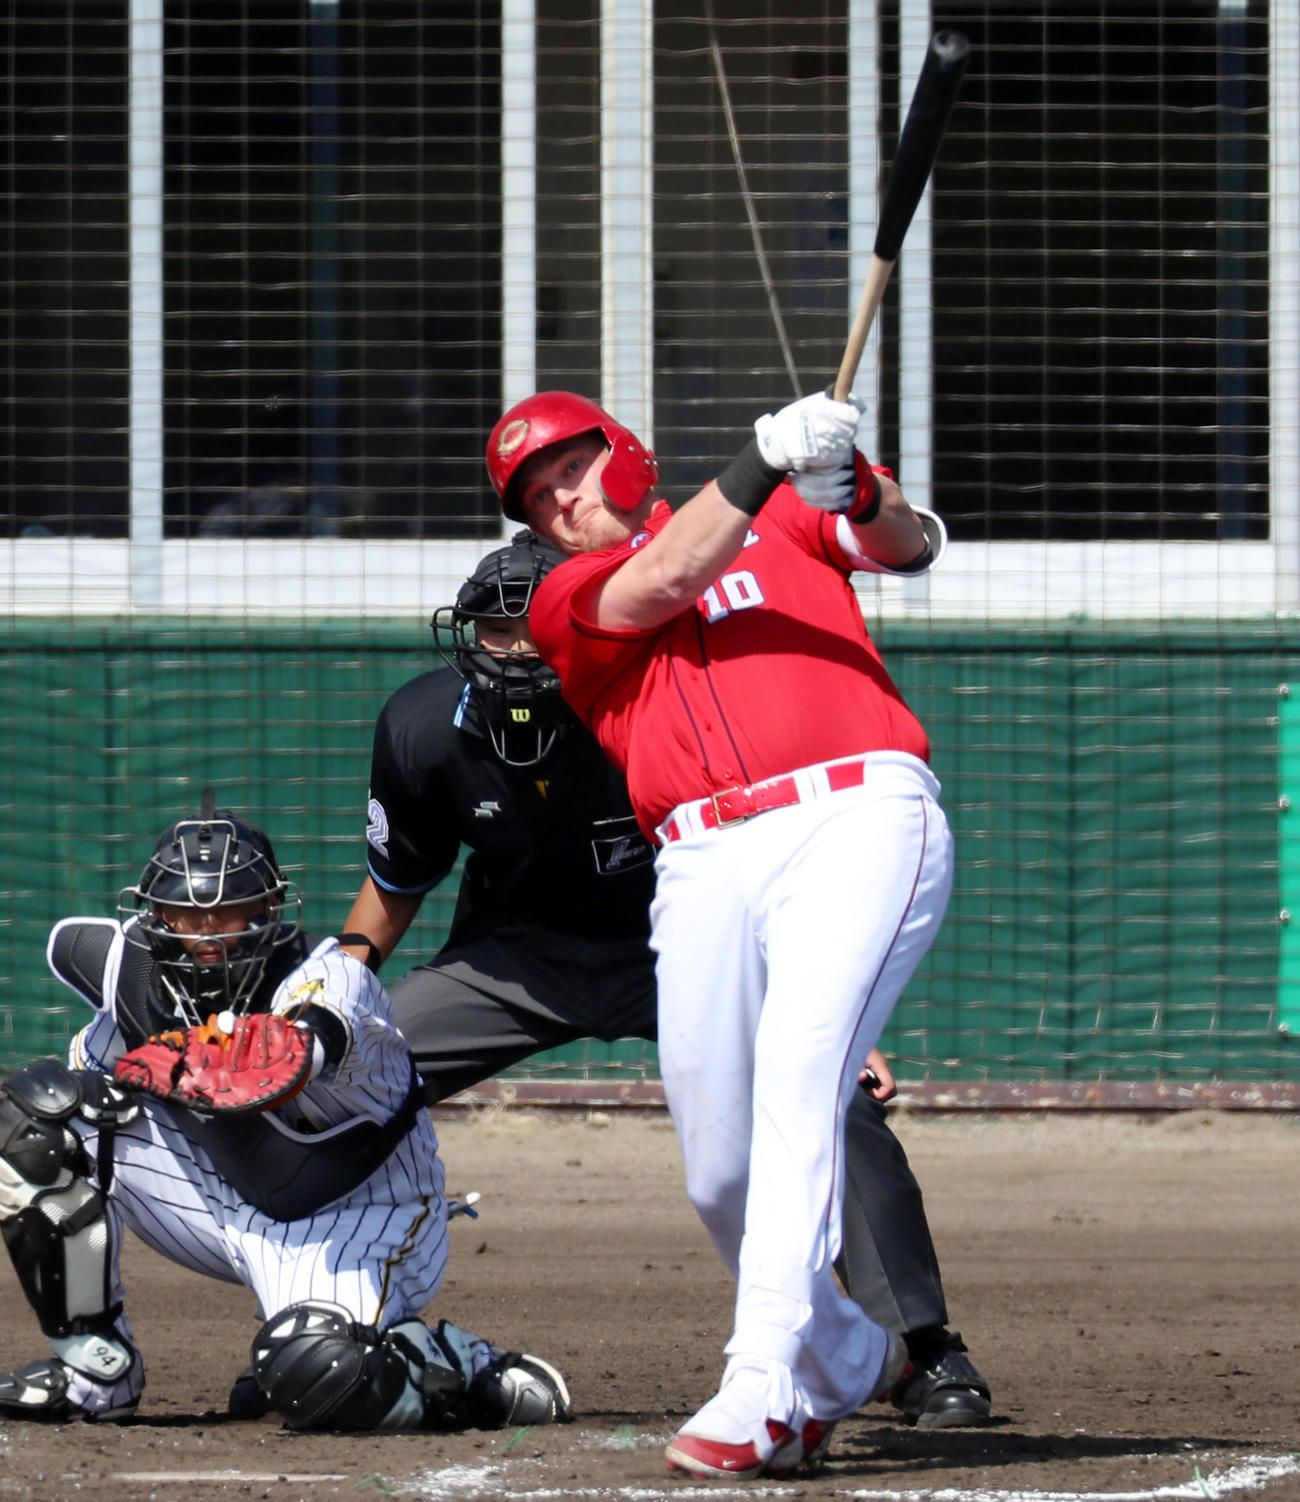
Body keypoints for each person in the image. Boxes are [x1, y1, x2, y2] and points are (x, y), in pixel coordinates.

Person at [340, 529, 989, 1444]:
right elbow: (396, 884)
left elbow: (758, 874)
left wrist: (831, 1014)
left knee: (833, 1102)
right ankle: (322, 1330)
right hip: (516, 961)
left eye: (534, 628)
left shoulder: (652, 706)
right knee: (342, 1084)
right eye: (495, 629)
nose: (515, 647)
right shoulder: (420, 725)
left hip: (681, 948)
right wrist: (337, 993)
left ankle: (921, 1347)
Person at [488, 387, 957, 1479]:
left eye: (571, 465)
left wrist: (856, 486)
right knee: (717, 1171)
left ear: (625, 451)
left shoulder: (788, 514)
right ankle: (842, 1354)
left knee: (801, 1086)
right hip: (699, 856)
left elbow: (909, 545)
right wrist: (760, 456)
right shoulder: (568, 595)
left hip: (855, 812)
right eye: (535, 492)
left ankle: (761, 1377)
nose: (558, 497)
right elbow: (666, 576)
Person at [0, 804, 571, 1432]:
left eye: (227, 910)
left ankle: (462, 1365)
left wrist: (178, 1060)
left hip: (359, 1214)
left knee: (319, 1376)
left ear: (270, 910)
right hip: (222, 1193)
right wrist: (95, 1089)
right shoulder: (134, 972)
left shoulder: (330, 979)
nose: (206, 933)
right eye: (186, 913)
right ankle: (95, 1372)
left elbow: (284, 1061)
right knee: (34, 1120)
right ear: (156, 915)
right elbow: (90, 1056)